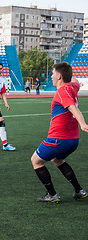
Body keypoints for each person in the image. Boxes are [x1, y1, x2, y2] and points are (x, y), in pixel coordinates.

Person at [31, 62, 88, 203]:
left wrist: (83, 124)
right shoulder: (73, 86)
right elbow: (75, 80)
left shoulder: (62, 91)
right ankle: (79, 191)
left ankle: (52, 194)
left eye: (53, 74)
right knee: (57, 161)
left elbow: (73, 108)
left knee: (36, 161)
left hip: (58, 138)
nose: (51, 76)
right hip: (73, 140)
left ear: (59, 76)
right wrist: (67, 70)